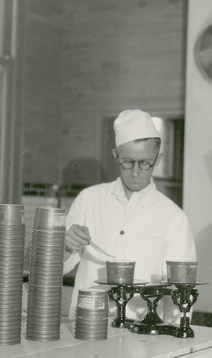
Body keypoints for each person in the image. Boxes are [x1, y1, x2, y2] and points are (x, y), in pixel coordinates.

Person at [63, 109, 196, 321]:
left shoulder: (173, 217)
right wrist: (67, 245)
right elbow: (59, 267)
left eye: (144, 163)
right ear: (116, 155)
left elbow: (182, 291)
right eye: (127, 162)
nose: (135, 172)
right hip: (86, 323)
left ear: (158, 159)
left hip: (143, 333)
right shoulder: (88, 200)